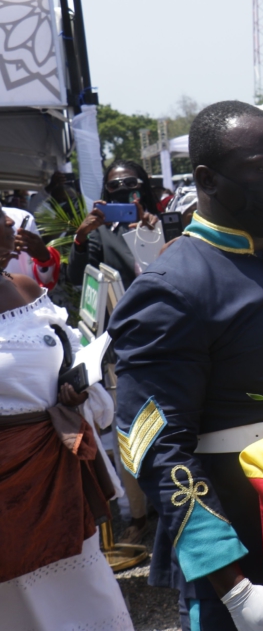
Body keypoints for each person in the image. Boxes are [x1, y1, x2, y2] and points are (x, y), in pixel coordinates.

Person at [107, 101, 263, 631]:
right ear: (207, 178)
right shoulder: (173, 286)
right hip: (239, 538)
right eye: (261, 167)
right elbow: (155, 443)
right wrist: (231, 585)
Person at [0, 207, 132, 631]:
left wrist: (72, 390)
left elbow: (61, 352)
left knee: (85, 583)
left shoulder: (22, 286)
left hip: (58, 465)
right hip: (7, 485)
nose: (9, 224)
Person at [68, 160, 161, 289]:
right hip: (124, 307)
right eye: (113, 185)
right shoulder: (101, 232)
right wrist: (80, 238)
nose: (122, 188)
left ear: (143, 187)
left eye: (130, 183)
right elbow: (77, 278)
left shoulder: (162, 224)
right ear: (107, 190)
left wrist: (154, 233)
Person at [2, 206, 60, 288]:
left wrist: (43, 259)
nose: (10, 221)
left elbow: (45, 280)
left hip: (26, 297)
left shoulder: (21, 217)